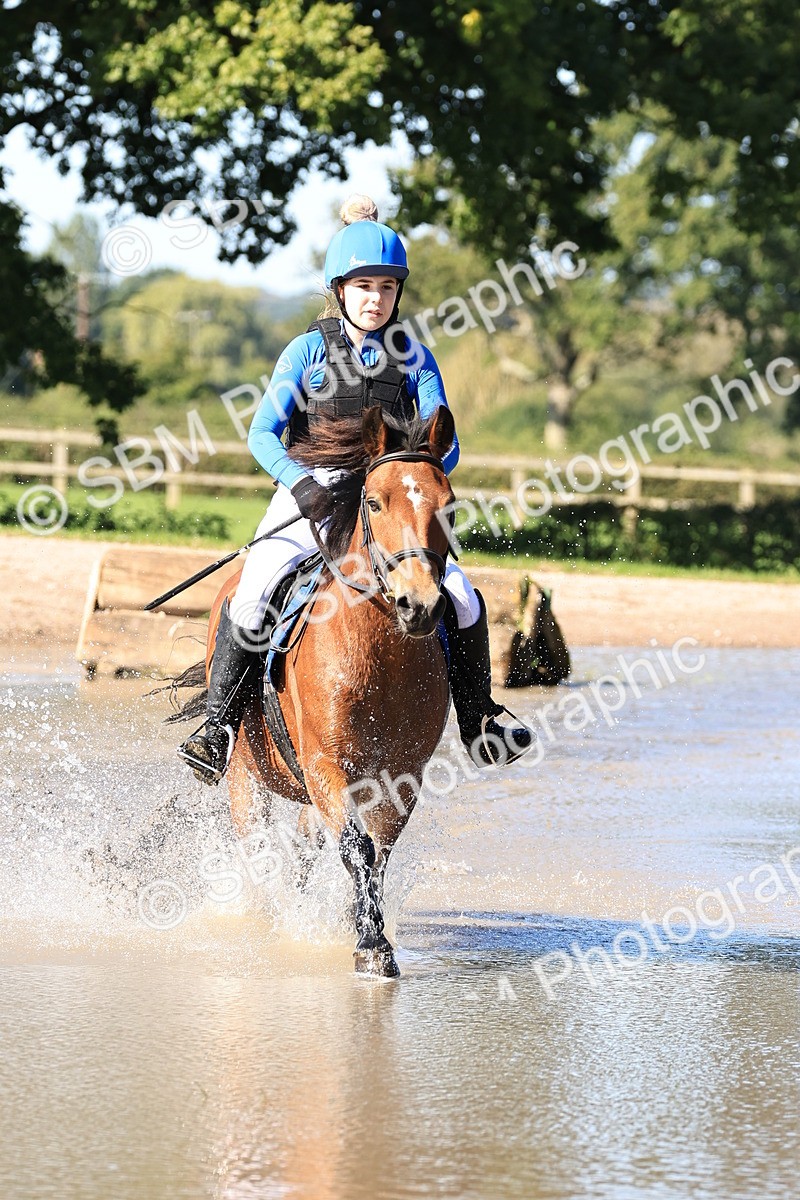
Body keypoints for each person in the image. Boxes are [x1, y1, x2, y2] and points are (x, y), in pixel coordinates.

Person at [179, 195, 533, 784]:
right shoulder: (307, 352)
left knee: (464, 597)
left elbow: (447, 439)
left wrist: (422, 472)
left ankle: (479, 720)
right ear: (340, 289)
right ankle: (217, 727)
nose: (376, 298)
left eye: (387, 287)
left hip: (390, 500)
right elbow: (262, 434)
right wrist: (299, 486)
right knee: (256, 588)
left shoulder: (416, 357)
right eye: (364, 285)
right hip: (311, 491)